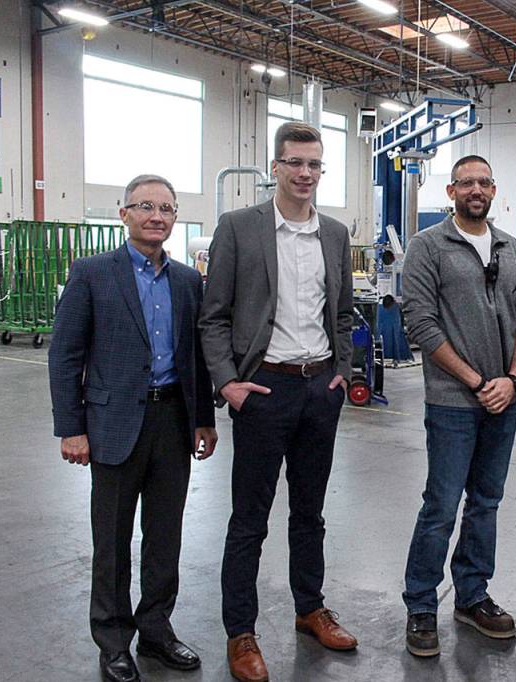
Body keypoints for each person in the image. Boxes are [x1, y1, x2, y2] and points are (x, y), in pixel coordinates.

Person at [198, 122, 356, 682]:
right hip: (263, 389)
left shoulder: (334, 234)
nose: (305, 174)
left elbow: (341, 313)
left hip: (320, 390)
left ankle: (309, 608)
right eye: (295, 163)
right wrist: (228, 384)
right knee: (250, 518)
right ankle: (240, 632)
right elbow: (213, 317)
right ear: (275, 168)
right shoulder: (239, 228)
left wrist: (342, 372)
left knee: (309, 513)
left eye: (314, 165)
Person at [48, 174, 217, 682]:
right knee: (114, 538)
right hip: (114, 424)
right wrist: (71, 428)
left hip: (172, 421)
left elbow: (197, 358)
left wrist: (204, 418)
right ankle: (113, 640)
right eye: (145, 206)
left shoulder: (189, 281)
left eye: (166, 208)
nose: (157, 216)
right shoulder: (93, 273)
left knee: (164, 536)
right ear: (123, 214)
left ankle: (157, 631)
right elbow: (65, 355)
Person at [400, 155, 516, 657]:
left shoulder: (510, 246)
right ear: (451, 192)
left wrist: (513, 378)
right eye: (466, 183)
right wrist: (479, 381)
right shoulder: (428, 246)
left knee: (487, 503)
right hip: (454, 402)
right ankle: (420, 603)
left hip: (504, 399)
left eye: (484, 181)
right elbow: (420, 323)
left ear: (494, 189)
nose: (476, 189)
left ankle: (472, 595)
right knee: (441, 504)